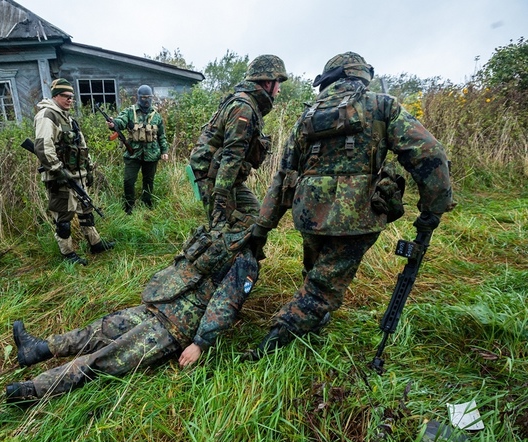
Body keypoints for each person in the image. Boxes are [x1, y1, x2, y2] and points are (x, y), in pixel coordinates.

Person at [241, 52, 455, 360]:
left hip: (309, 213)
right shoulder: (382, 106)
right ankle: (271, 344)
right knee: (321, 287)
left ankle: (312, 318)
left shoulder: (308, 115)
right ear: (361, 76)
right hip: (356, 216)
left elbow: (284, 176)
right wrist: (433, 208)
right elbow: (429, 154)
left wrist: (263, 226)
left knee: (316, 270)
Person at [5, 223, 259, 403]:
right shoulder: (223, 237)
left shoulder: (246, 262)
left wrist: (200, 344)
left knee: (104, 358)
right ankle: (37, 349)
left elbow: (224, 306)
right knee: (99, 330)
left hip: (172, 329)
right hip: (159, 306)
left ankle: (34, 390)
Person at [189, 55, 287, 232]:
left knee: (254, 216)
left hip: (222, 175)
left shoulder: (248, 103)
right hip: (213, 176)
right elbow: (232, 155)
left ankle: (240, 256)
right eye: (278, 82)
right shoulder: (244, 107)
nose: (279, 89)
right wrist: (220, 200)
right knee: (222, 231)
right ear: (267, 83)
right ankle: (206, 257)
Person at [33, 78, 114, 265]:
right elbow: (43, 147)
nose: (70, 100)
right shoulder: (47, 115)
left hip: (78, 175)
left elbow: (82, 146)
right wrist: (57, 170)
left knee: (86, 211)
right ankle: (68, 254)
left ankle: (95, 243)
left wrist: (90, 168)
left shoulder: (68, 118)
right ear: (56, 96)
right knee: (64, 217)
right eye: (66, 96)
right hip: (60, 177)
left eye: (72, 97)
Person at [106, 85, 169, 213]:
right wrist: (114, 124)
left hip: (151, 154)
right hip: (133, 153)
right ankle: (129, 206)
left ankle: (146, 203)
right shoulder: (130, 112)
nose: (146, 100)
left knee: (148, 181)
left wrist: (164, 151)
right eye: (144, 97)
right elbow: (120, 121)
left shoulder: (156, 116)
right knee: (128, 181)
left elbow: (161, 135)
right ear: (138, 97)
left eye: (149, 97)